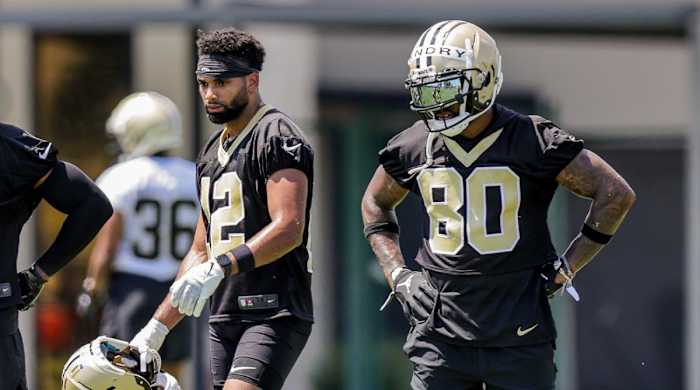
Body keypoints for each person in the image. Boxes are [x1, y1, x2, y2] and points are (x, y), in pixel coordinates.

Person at [361, 21, 636, 390]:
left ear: (483, 81)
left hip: (518, 332)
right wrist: (398, 275)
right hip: (439, 333)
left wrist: (567, 267)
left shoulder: (532, 140)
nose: (437, 105)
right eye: (427, 92)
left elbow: (615, 194)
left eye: (445, 88)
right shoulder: (413, 145)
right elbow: (375, 202)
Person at [129, 27, 314, 390]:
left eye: (222, 83)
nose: (210, 94)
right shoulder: (211, 151)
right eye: (203, 83)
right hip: (224, 313)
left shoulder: (277, 135)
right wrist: (157, 327)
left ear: (251, 81)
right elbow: (201, 249)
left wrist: (221, 266)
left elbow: (289, 226)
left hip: (272, 310)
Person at [75, 91, 198, 380]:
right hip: (179, 289)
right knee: (170, 375)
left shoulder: (122, 176)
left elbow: (107, 245)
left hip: (131, 290)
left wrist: (92, 288)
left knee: (120, 375)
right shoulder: (194, 176)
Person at [0, 122, 113, 390]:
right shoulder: (11, 146)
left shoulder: (10, 147)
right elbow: (93, 205)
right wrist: (38, 274)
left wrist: (38, 274)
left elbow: (93, 205)